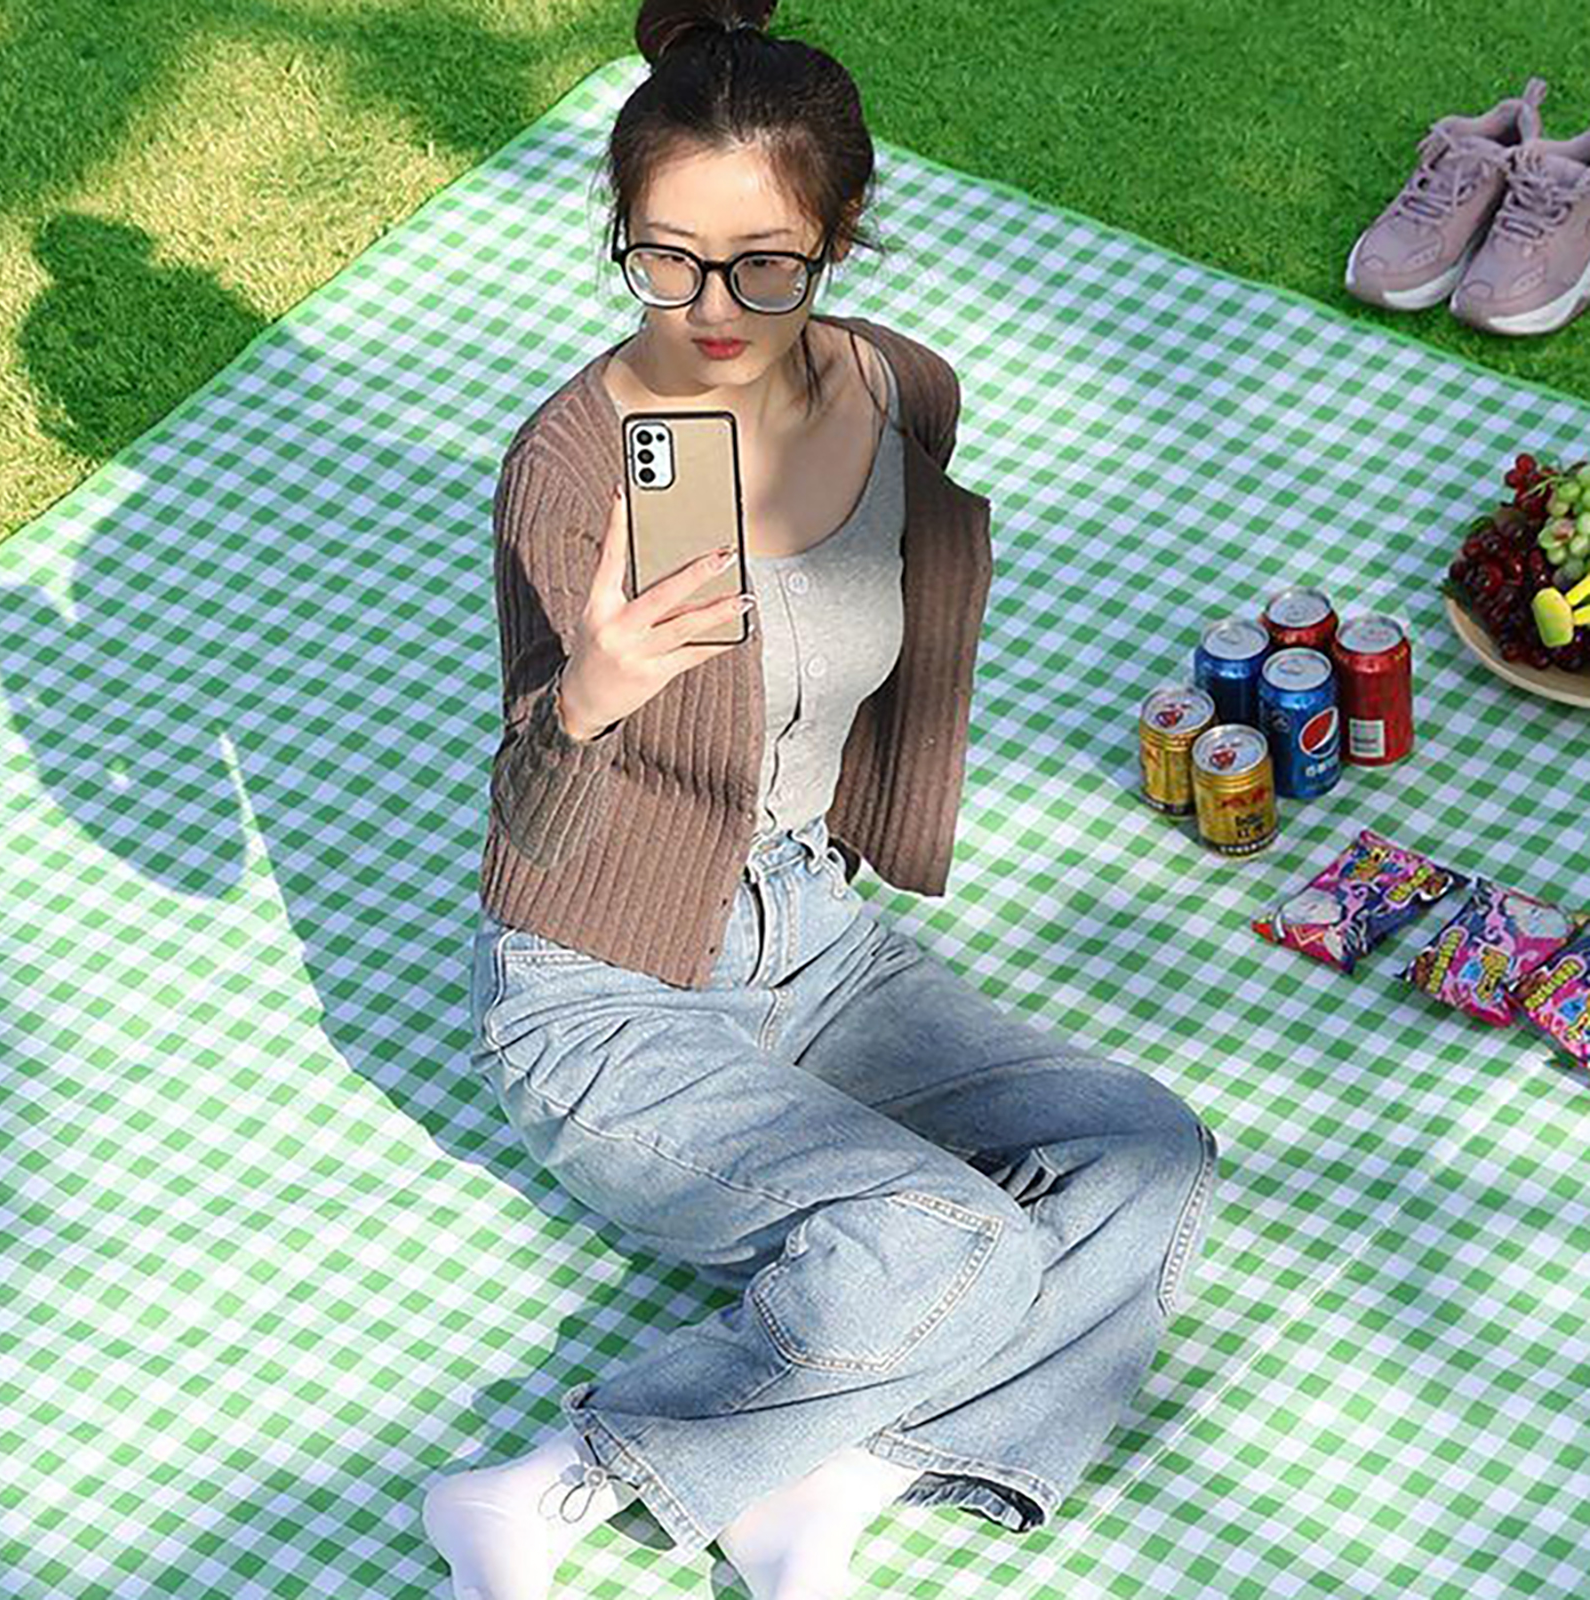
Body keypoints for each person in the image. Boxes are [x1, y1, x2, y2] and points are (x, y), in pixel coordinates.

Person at [423, 4, 1222, 1598]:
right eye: (664, 262)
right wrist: (588, 700)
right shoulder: (582, 465)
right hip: (606, 985)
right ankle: (546, 1488)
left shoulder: (901, 391)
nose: (711, 314)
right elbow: (535, 834)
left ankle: (833, 1477)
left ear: (842, 232)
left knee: (1147, 1153)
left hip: (819, 933)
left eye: (763, 267)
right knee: (945, 1239)